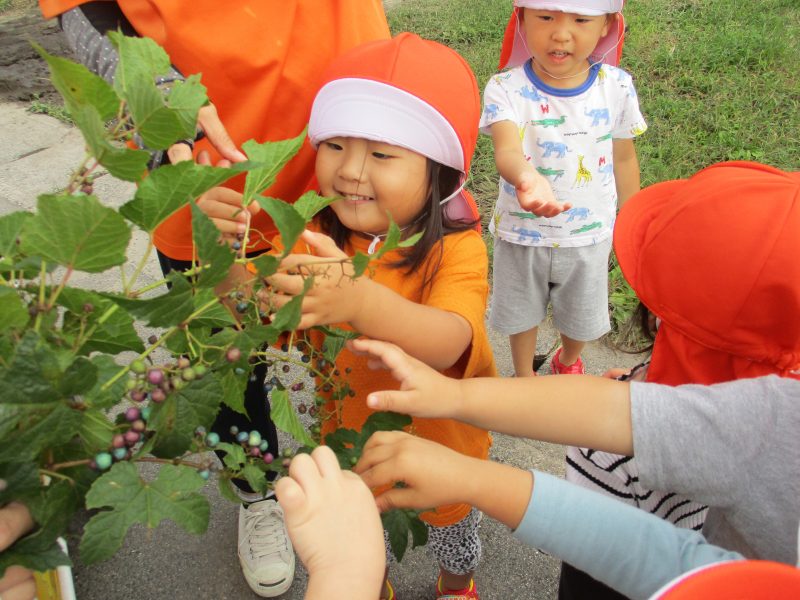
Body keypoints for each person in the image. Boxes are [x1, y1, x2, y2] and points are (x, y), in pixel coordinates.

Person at [36, 1, 392, 596]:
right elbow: (80, 10)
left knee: (359, 346)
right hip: (207, 169)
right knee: (225, 359)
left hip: (352, 147)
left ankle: (359, 490)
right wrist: (159, 108)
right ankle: (256, 492)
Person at [204, 33, 496, 600]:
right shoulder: (314, 241)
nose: (352, 170)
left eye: (383, 153)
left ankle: (456, 587)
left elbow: (447, 342)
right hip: (352, 450)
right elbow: (249, 313)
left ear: (440, 170)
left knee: (456, 539)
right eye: (334, 145)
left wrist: (359, 301)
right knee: (363, 545)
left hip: (447, 452)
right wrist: (219, 253)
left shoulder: (457, 250)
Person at [346, 340, 800, 598]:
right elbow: (621, 414)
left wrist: (471, 474)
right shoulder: (779, 419)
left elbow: (675, 563)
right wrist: (455, 398)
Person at [480, 0, 646, 378]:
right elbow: (506, 149)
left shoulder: (617, 87)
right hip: (522, 231)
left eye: (581, 19)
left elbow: (623, 159)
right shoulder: (505, 88)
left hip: (588, 236)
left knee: (583, 316)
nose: (561, 32)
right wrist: (526, 178)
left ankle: (567, 360)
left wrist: (632, 219)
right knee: (521, 312)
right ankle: (524, 376)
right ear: (521, 18)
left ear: (607, 26)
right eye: (546, 17)